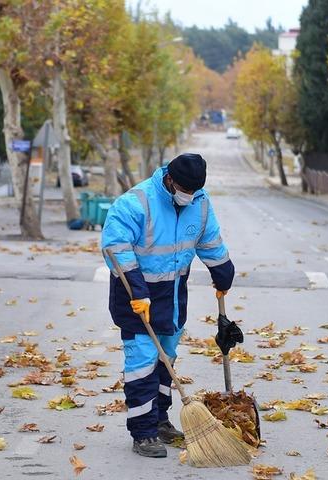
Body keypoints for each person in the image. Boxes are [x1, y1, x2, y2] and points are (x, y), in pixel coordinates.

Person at [101, 153, 236, 458]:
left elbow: (209, 240)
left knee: (166, 361)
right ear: (170, 180)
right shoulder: (136, 202)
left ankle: (160, 420)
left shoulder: (199, 202)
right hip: (136, 297)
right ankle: (143, 433)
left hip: (173, 296)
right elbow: (115, 247)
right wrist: (137, 290)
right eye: (185, 190)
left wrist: (223, 272)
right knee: (142, 365)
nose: (189, 196)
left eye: (194, 191)